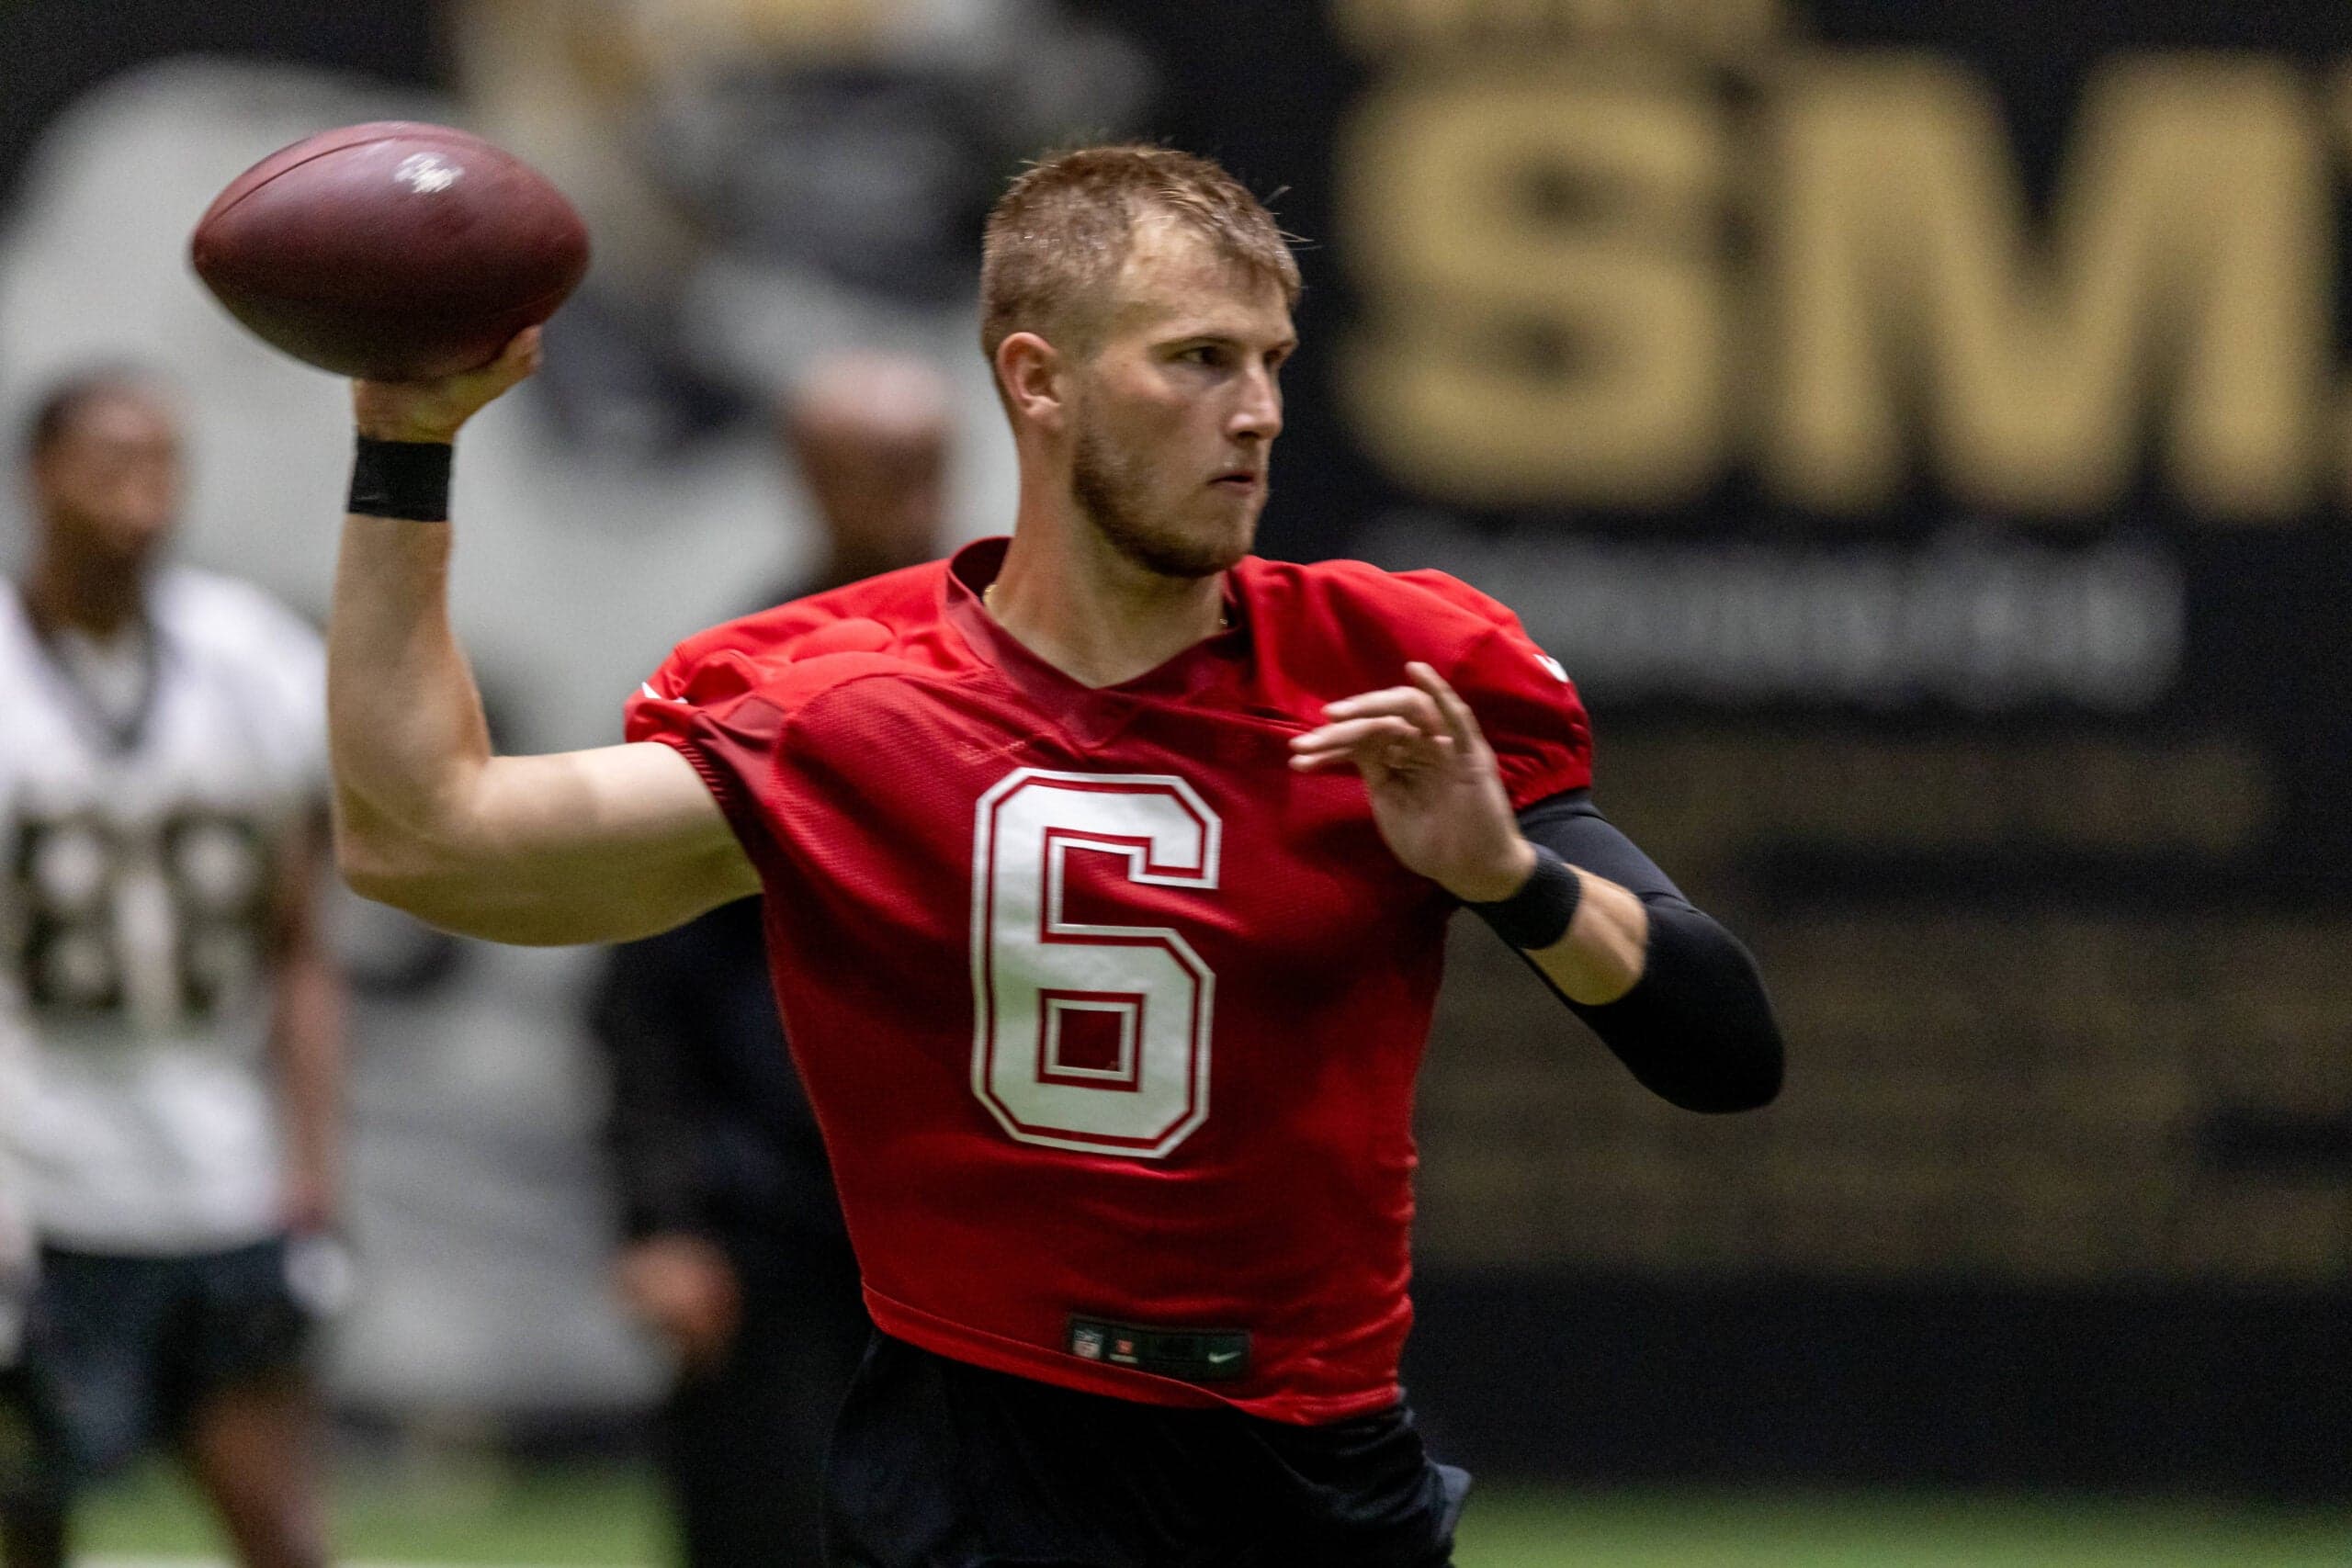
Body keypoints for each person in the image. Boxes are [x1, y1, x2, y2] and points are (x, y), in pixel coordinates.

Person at [326, 145, 1784, 1566]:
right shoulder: (846, 700)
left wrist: (1505, 879)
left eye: (1271, 360)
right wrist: (406, 446)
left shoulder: (1385, 672)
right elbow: (426, 840)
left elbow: (1725, 1047)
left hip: (1300, 1460)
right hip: (972, 1456)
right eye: (1198, 360)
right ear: (1039, 381)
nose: (1259, 412)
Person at [591, 352, 950, 1568]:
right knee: (763, 1526)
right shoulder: (733, 685)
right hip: (774, 1212)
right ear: (807, 478)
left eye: (920, 468)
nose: (901, 495)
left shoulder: (1026, 671)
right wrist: (661, 1218)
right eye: (871, 467)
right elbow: (642, 988)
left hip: (973, 1214)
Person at [0, 371, 341, 1568]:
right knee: (25, 1518)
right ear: (41, 473)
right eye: (110, 464)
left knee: (280, 1523)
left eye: (164, 466)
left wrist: (311, 1176)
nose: (143, 498)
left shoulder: (249, 656)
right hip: (34, 1169)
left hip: (214, 1157)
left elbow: (300, 944)